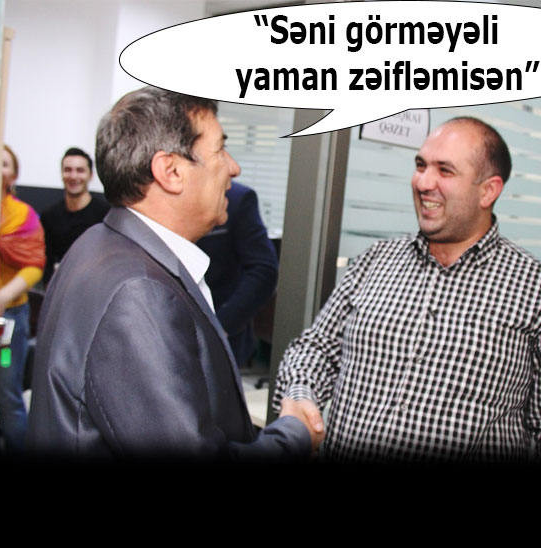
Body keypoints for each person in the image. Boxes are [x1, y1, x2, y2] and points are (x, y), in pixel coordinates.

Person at [273, 117, 541, 463]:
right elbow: (316, 350)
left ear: (488, 191)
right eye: (420, 165)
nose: (423, 182)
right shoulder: (374, 262)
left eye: (445, 170)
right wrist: (300, 393)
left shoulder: (540, 291)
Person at [26, 87, 322, 461]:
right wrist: (293, 435)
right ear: (171, 171)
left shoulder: (98, 243)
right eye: (220, 150)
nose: (233, 167)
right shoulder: (139, 292)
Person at [0, 144, 45, 456]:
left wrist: (3, 296)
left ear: (13, 175)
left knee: (7, 394)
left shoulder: (22, 215)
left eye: (4, 164)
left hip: (8, 322)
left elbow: (34, 264)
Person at [197, 181, 278, 368]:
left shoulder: (237, 198)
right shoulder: (147, 196)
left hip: (223, 337)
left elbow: (264, 268)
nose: (234, 169)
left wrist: (223, 324)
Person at [40, 147, 110, 285]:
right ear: (61, 173)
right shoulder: (49, 216)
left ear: (90, 175)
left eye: (80, 170)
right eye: (68, 170)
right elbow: (47, 263)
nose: (73, 176)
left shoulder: (106, 214)